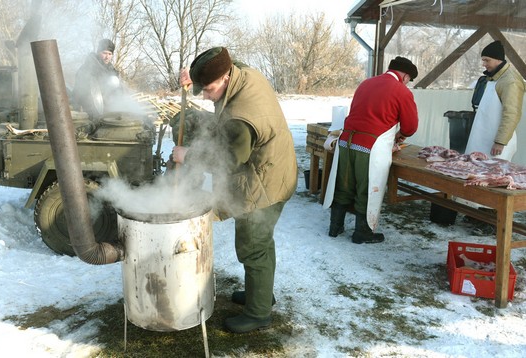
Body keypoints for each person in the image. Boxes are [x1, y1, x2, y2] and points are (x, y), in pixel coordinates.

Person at [172, 47, 297, 333]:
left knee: (253, 246)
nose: (205, 95)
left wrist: (187, 155)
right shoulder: (241, 73)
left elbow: (228, 160)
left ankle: (258, 314)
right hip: (274, 167)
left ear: (225, 79)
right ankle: (261, 294)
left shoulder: (242, 116)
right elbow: (225, 63)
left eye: (209, 89)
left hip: (264, 182)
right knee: (262, 243)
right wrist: (194, 80)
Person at [328, 56, 419, 243]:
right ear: (405, 76)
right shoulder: (401, 91)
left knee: (344, 185)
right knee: (367, 189)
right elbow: (410, 126)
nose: (408, 83)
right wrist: (401, 133)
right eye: (409, 79)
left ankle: (335, 227)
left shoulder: (366, 83)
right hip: (370, 147)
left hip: (346, 142)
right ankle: (362, 233)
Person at [465, 40, 525, 161]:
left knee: (493, 178)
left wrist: (500, 142)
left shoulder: (510, 81)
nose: (484, 64)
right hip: (482, 139)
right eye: (483, 60)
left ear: (498, 59)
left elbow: (512, 114)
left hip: (496, 146)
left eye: (487, 60)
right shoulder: (493, 77)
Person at [72, 39, 123, 119]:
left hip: (109, 111)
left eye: (110, 54)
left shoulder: (112, 71)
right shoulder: (87, 68)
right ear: (98, 52)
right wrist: (77, 109)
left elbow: (118, 92)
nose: (107, 57)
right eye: (104, 53)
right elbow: (78, 91)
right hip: (90, 111)